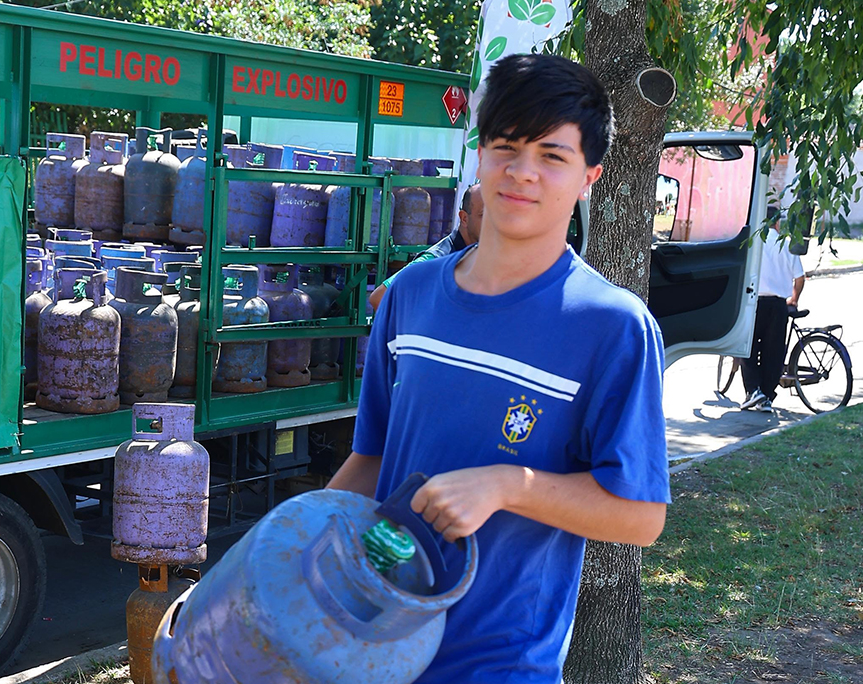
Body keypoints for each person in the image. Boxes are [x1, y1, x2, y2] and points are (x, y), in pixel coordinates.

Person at [327, 54, 670, 683]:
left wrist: (508, 486)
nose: (522, 172)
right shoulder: (412, 294)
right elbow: (372, 459)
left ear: (589, 177)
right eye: (505, 146)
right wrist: (296, 547)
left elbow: (640, 516)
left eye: (552, 155)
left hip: (498, 667)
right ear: (479, 157)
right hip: (373, 647)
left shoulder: (612, 326)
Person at [367, 183, 483, 310]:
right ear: (464, 218)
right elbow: (379, 298)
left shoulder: (482, 256)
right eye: (483, 215)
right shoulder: (436, 259)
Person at [740, 206, 806, 412]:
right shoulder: (787, 244)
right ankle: (767, 396)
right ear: (777, 223)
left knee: (747, 347)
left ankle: (753, 391)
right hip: (778, 306)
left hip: (754, 303)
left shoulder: (754, 243)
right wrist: (794, 298)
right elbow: (800, 278)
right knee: (773, 351)